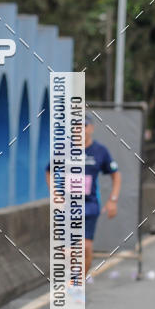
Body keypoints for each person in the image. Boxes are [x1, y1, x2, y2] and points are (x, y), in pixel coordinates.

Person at [46, 112, 121, 280]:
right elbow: (49, 171)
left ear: (91, 128)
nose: (80, 130)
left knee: (86, 247)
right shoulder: (64, 150)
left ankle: (78, 282)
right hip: (67, 207)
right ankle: (72, 276)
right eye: (76, 127)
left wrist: (113, 200)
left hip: (90, 206)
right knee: (68, 251)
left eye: (84, 126)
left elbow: (116, 175)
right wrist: (55, 194)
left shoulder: (100, 151)